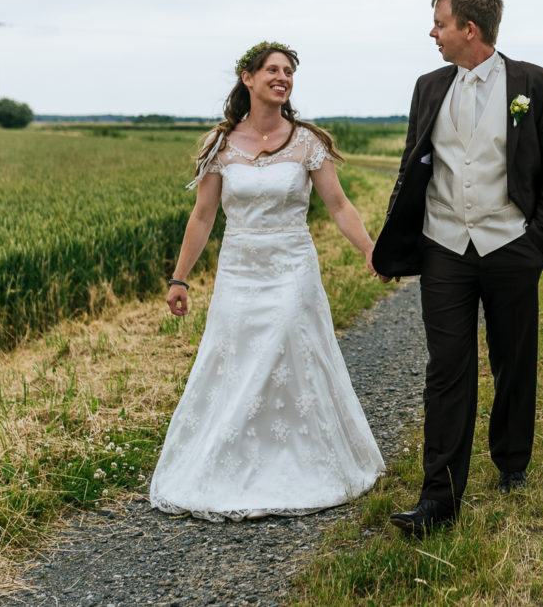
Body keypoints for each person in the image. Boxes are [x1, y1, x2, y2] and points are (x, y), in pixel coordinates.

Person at [372, 0, 543, 534]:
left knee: (513, 360)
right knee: (446, 370)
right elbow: (412, 165)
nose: (431, 33)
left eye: (439, 23)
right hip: (444, 248)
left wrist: (534, 245)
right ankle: (439, 497)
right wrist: (394, 242)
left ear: (470, 29)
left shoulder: (539, 85)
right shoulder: (428, 86)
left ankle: (512, 463)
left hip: (511, 245)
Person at [150, 41, 385, 522]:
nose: (282, 78)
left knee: (283, 352)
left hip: (292, 267)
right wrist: (180, 278)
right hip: (240, 268)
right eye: (273, 70)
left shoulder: (307, 142)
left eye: (289, 72)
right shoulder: (221, 145)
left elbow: (338, 205)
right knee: (237, 362)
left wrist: (368, 249)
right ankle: (232, 462)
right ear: (247, 77)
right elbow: (202, 216)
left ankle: (299, 460)